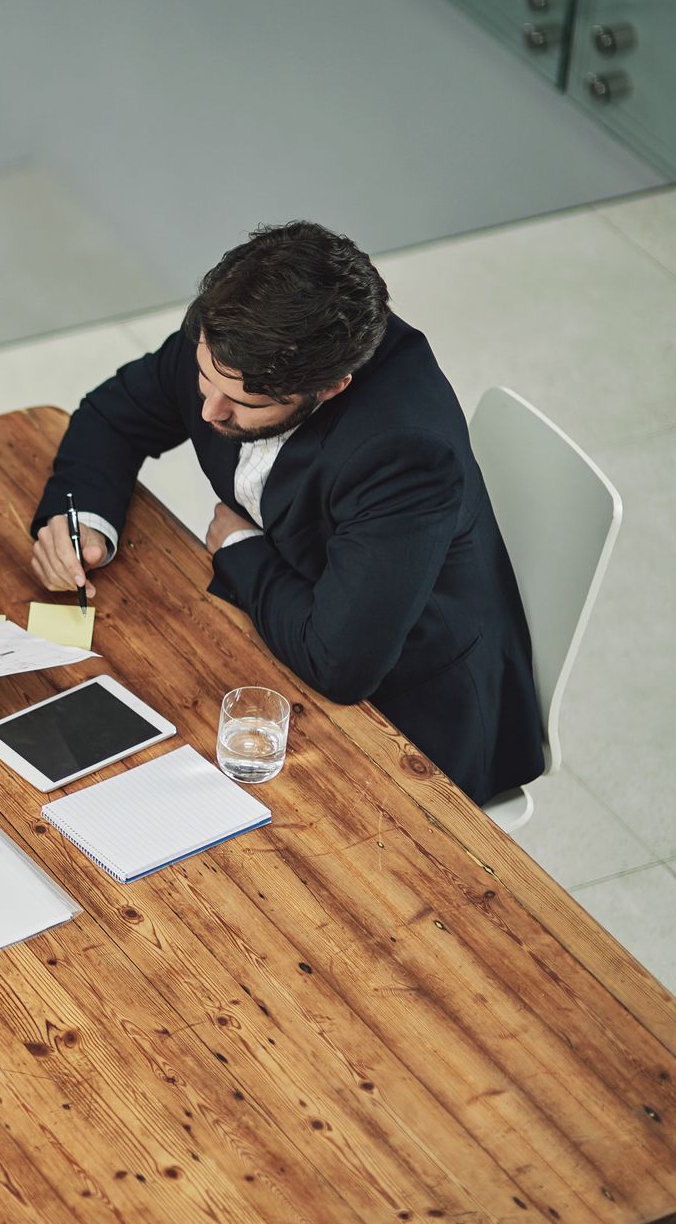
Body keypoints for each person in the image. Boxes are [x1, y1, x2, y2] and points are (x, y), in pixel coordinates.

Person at [28, 222, 543, 804]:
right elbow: (114, 417)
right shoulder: (231, 337)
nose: (208, 410)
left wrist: (238, 548)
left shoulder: (404, 449)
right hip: (281, 633)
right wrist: (85, 523)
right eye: (203, 378)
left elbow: (340, 664)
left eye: (244, 404)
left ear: (330, 387)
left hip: (411, 715)